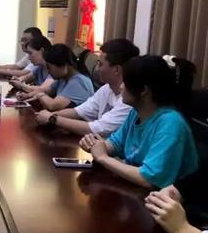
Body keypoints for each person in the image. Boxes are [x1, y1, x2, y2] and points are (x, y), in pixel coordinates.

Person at [80, 55, 199, 189]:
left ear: (144, 90)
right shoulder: (136, 112)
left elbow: (149, 179)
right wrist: (95, 144)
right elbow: (116, 143)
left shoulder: (171, 123)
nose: (121, 87)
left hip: (167, 198)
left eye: (125, 83)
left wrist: (103, 158)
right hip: (137, 192)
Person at [35, 39, 140, 135]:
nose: (97, 69)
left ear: (117, 69)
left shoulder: (129, 101)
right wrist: (49, 116)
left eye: (100, 64)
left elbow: (97, 129)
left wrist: (53, 119)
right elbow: (79, 111)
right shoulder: (106, 89)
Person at [19, 43, 94, 110]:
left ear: (64, 65)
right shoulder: (63, 78)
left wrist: (39, 95)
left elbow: (52, 105)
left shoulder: (79, 82)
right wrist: (28, 95)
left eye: (49, 68)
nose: (48, 72)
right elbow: (46, 91)